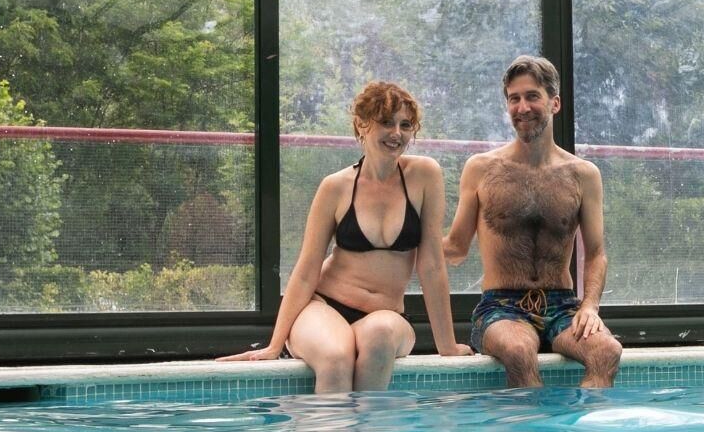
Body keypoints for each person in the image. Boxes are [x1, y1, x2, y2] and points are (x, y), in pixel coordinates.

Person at [221, 81, 467, 389]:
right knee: (336, 358)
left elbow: (431, 265)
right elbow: (307, 269)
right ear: (362, 125)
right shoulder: (335, 187)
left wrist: (448, 346)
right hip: (325, 306)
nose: (397, 134)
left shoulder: (424, 176)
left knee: (379, 338)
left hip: (385, 314)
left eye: (405, 125)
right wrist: (274, 344)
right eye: (386, 122)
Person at [444, 55, 623, 389]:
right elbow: (454, 248)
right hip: (501, 306)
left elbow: (596, 252)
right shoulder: (482, 169)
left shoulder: (583, 175)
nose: (522, 107)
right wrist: (400, 242)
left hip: (562, 305)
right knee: (518, 350)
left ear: (554, 103)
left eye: (532, 96)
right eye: (514, 99)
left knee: (607, 351)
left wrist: (590, 307)